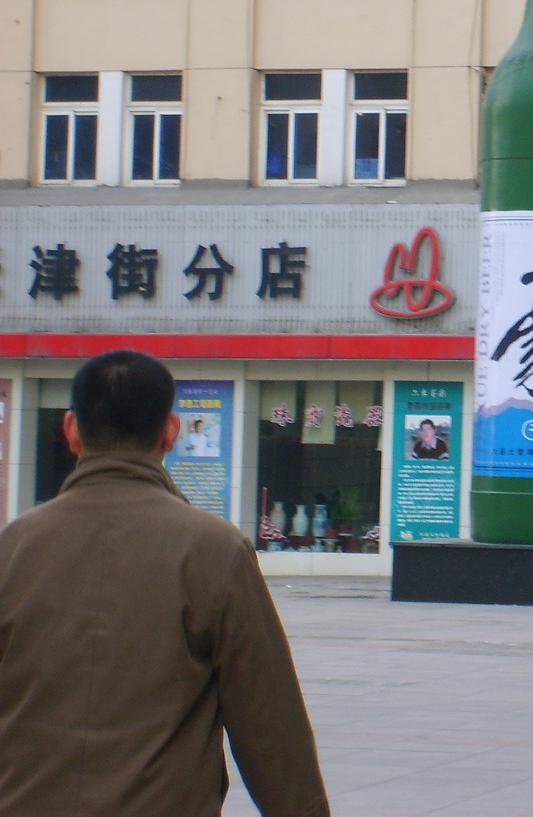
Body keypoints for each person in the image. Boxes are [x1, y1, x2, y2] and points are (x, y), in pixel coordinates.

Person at [0, 349, 329, 816]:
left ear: (71, 430)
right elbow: (270, 724)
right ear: (171, 432)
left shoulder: (13, 548)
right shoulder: (215, 550)